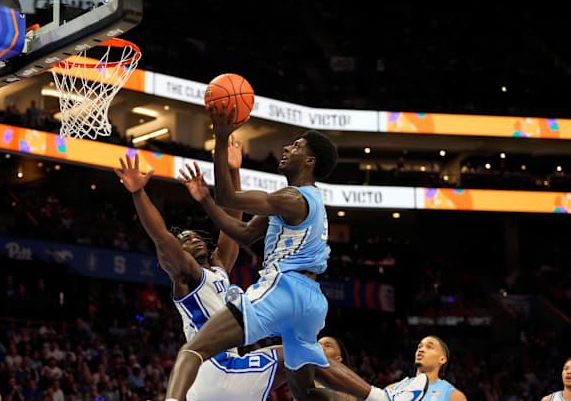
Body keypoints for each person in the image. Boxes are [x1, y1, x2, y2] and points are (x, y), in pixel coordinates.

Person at [166, 102, 428, 401]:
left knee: (192, 349)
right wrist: (204, 200)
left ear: (309, 161)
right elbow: (243, 234)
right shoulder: (293, 204)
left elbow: (228, 196)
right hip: (311, 302)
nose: (288, 148)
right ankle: (383, 398)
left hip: (284, 291)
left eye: (297, 146)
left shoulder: (291, 197)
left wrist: (222, 137)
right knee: (306, 392)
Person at [115, 138, 287, 401]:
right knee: (303, 355)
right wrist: (138, 193)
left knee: (303, 358)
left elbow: (233, 221)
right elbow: (161, 236)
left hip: (220, 372)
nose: (192, 238)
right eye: (184, 240)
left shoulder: (219, 268)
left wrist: (233, 171)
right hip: (212, 366)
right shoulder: (189, 276)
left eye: (194, 235)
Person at [387, 336, 466, 401]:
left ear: (442, 360)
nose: (421, 350)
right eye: (419, 347)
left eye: (429, 347)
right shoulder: (393, 389)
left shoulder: (454, 396)